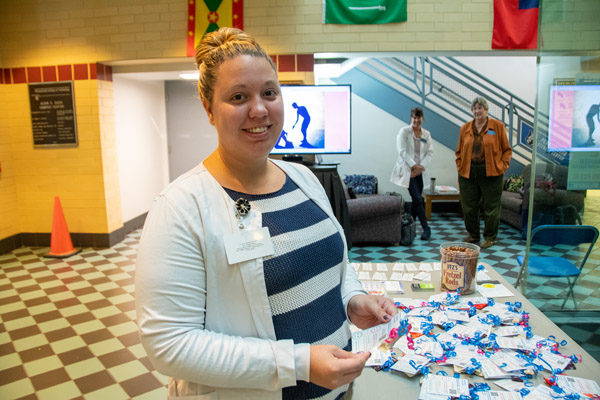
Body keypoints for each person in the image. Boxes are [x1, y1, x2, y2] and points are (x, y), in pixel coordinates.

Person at [135, 27, 396, 400]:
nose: (259, 109)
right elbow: (170, 344)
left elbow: (332, 266)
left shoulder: (303, 178)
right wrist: (298, 363)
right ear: (209, 109)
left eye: (269, 93)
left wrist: (353, 299)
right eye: (238, 96)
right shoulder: (181, 207)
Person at [456, 97, 512, 249]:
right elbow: (459, 152)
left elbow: (507, 150)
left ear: (486, 110)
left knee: (491, 207)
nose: (477, 111)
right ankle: (473, 235)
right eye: (474, 108)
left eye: (480, 108)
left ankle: (490, 237)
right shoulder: (465, 128)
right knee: (468, 207)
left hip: (492, 172)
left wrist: (503, 166)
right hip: (468, 172)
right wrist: (460, 168)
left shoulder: (497, 126)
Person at [390, 107, 434, 240]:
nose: (416, 120)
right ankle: (426, 228)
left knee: (416, 200)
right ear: (411, 118)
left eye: (419, 117)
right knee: (417, 198)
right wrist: (413, 166)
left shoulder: (426, 134)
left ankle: (411, 228)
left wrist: (420, 167)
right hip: (408, 169)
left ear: (422, 119)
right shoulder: (404, 131)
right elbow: (402, 151)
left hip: (419, 171)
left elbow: (430, 153)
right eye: (414, 117)